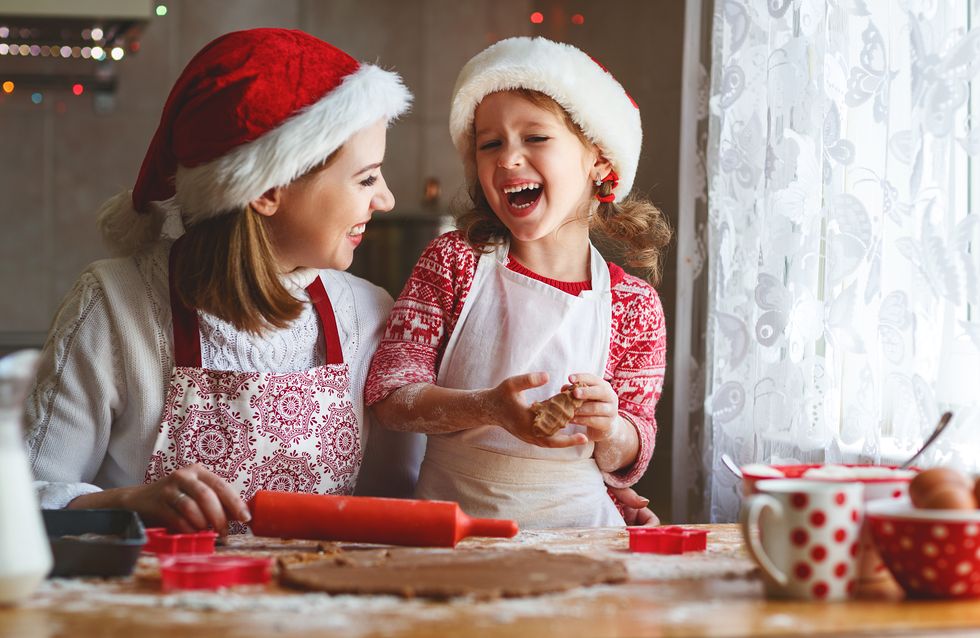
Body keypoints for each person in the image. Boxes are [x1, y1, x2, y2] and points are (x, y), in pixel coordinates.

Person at [25, 28, 412, 534]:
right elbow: (22, 501)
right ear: (267, 191)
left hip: (320, 608)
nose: (386, 199)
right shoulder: (115, 307)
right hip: (154, 609)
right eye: (366, 178)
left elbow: (395, 506)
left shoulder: (367, 313)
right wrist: (127, 504)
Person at [367, 37, 671, 528]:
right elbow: (390, 397)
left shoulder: (633, 305)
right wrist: (487, 407)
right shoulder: (453, 264)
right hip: (453, 529)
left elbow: (633, 448)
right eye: (490, 144)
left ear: (599, 159)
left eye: (535, 137)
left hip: (579, 535)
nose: (508, 158)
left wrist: (610, 427)